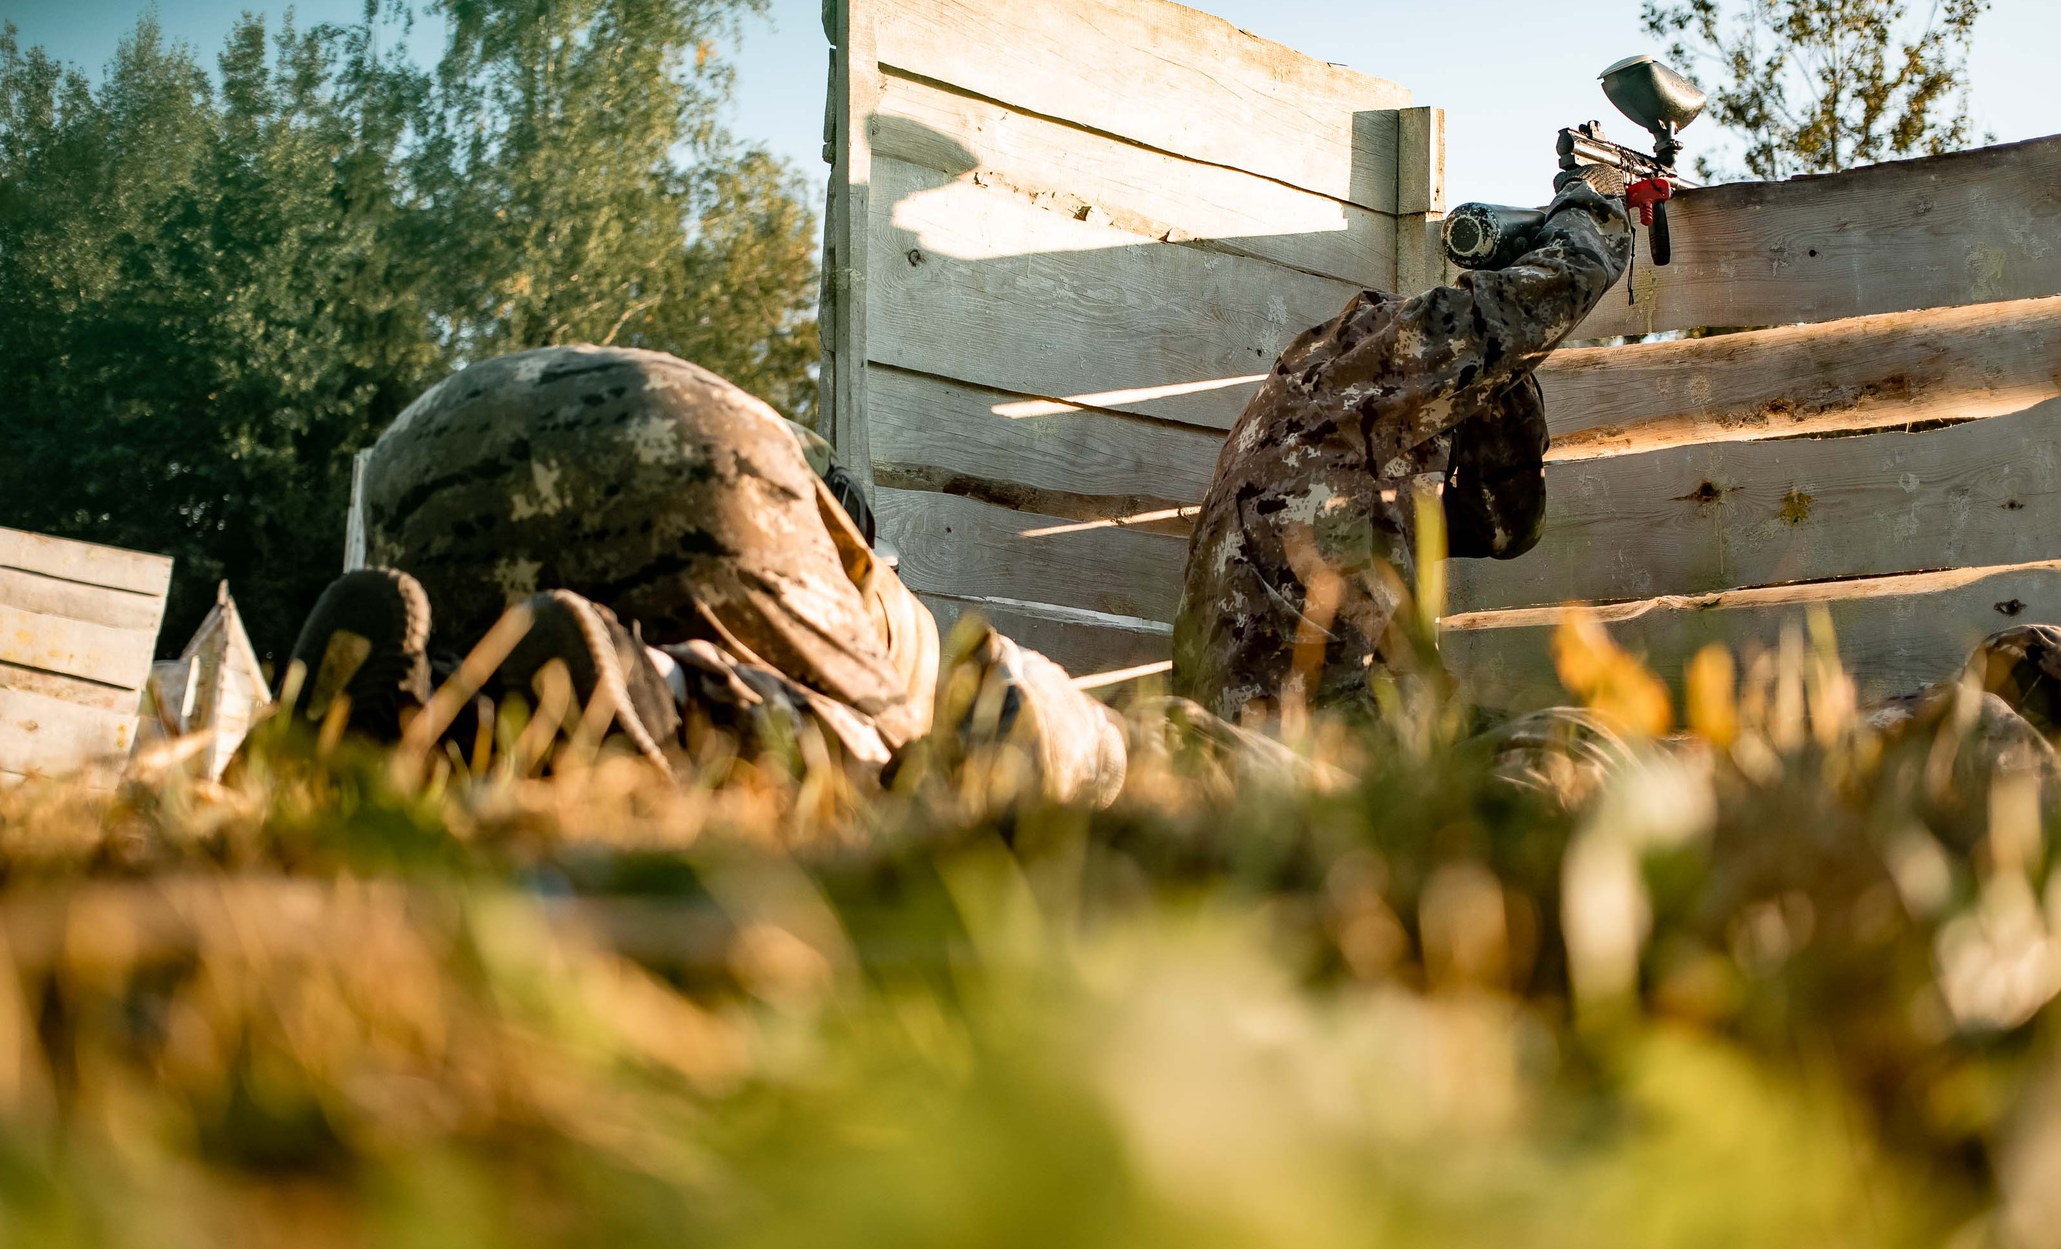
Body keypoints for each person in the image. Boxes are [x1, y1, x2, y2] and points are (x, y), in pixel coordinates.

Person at [283, 344, 1125, 802]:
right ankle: (664, 688)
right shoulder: (888, 609)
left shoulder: (825, 522)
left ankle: (418, 711)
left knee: (490, 684)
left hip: (432, 450)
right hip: (684, 451)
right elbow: (1001, 715)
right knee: (872, 763)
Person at [1171, 177, 1635, 721]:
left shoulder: (1319, 422)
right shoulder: (1380, 362)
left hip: (1242, 729)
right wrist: (1591, 204)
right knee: (1568, 744)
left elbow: (1504, 527)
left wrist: (1499, 391)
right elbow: (1553, 289)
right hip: (1313, 741)